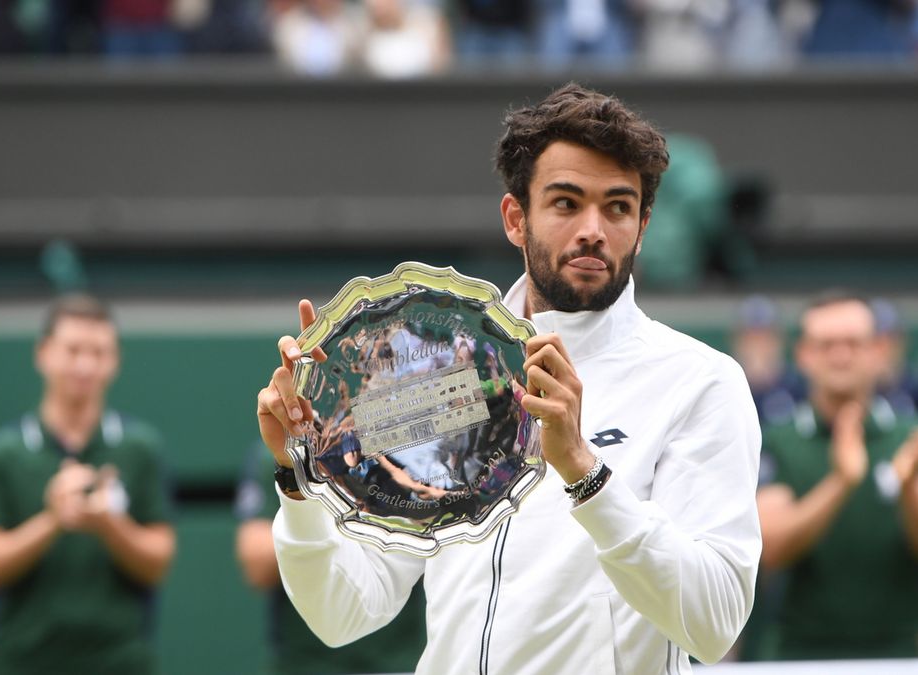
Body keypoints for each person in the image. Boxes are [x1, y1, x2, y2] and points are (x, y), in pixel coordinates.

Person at [255, 83, 762, 674]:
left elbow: (714, 621)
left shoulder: (700, 381)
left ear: (643, 225)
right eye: (567, 203)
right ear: (515, 219)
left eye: (618, 207)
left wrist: (584, 472)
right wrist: (298, 476)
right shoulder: (444, 378)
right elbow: (343, 612)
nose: (593, 229)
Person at [0, 294, 176, 675]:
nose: (85, 364)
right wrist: (53, 520)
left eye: (99, 352)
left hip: (120, 661)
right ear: (43, 353)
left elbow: (158, 561)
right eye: (73, 349)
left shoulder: (140, 448)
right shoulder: (3, 453)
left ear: (116, 361)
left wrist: (109, 522)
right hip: (21, 662)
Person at [756, 292, 918, 659]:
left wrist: (909, 486)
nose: (840, 355)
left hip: (898, 656)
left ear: (879, 351)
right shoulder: (776, 440)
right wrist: (842, 481)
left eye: (853, 343)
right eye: (826, 344)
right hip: (799, 656)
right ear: (803, 354)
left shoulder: (912, 437)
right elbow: (770, 550)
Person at [234, 444, 426, 674]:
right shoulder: (278, 452)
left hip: (396, 661)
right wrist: (303, 497)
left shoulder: (409, 449)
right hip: (306, 663)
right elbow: (258, 564)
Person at [733, 294, 806, 426]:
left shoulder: (798, 385)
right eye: (751, 337)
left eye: (765, 337)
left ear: (779, 340)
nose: (758, 345)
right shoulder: (727, 384)